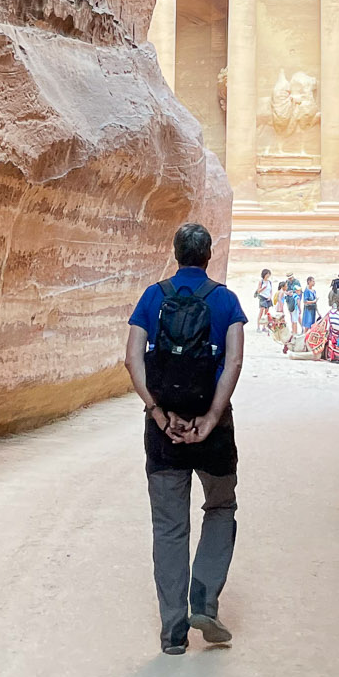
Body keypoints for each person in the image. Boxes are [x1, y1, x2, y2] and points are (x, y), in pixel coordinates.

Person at [125, 222, 247, 654]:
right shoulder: (226, 301)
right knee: (220, 506)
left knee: (170, 527)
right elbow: (233, 363)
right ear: (209, 255)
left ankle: (173, 632)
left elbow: (131, 358)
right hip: (213, 431)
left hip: (164, 434)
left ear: (175, 254)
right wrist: (212, 416)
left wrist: (158, 414)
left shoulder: (153, 297)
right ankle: (205, 601)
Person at [254, 268, 275, 334]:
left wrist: (270, 296)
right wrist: (263, 288)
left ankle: (264, 327)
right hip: (262, 297)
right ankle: (258, 327)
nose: (268, 276)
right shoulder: (261, 281)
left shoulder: (269, 282)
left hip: (267, 298)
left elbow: (271, 291)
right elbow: (258, 290)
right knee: (261, 311)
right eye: (267, 274)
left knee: (266, 313)